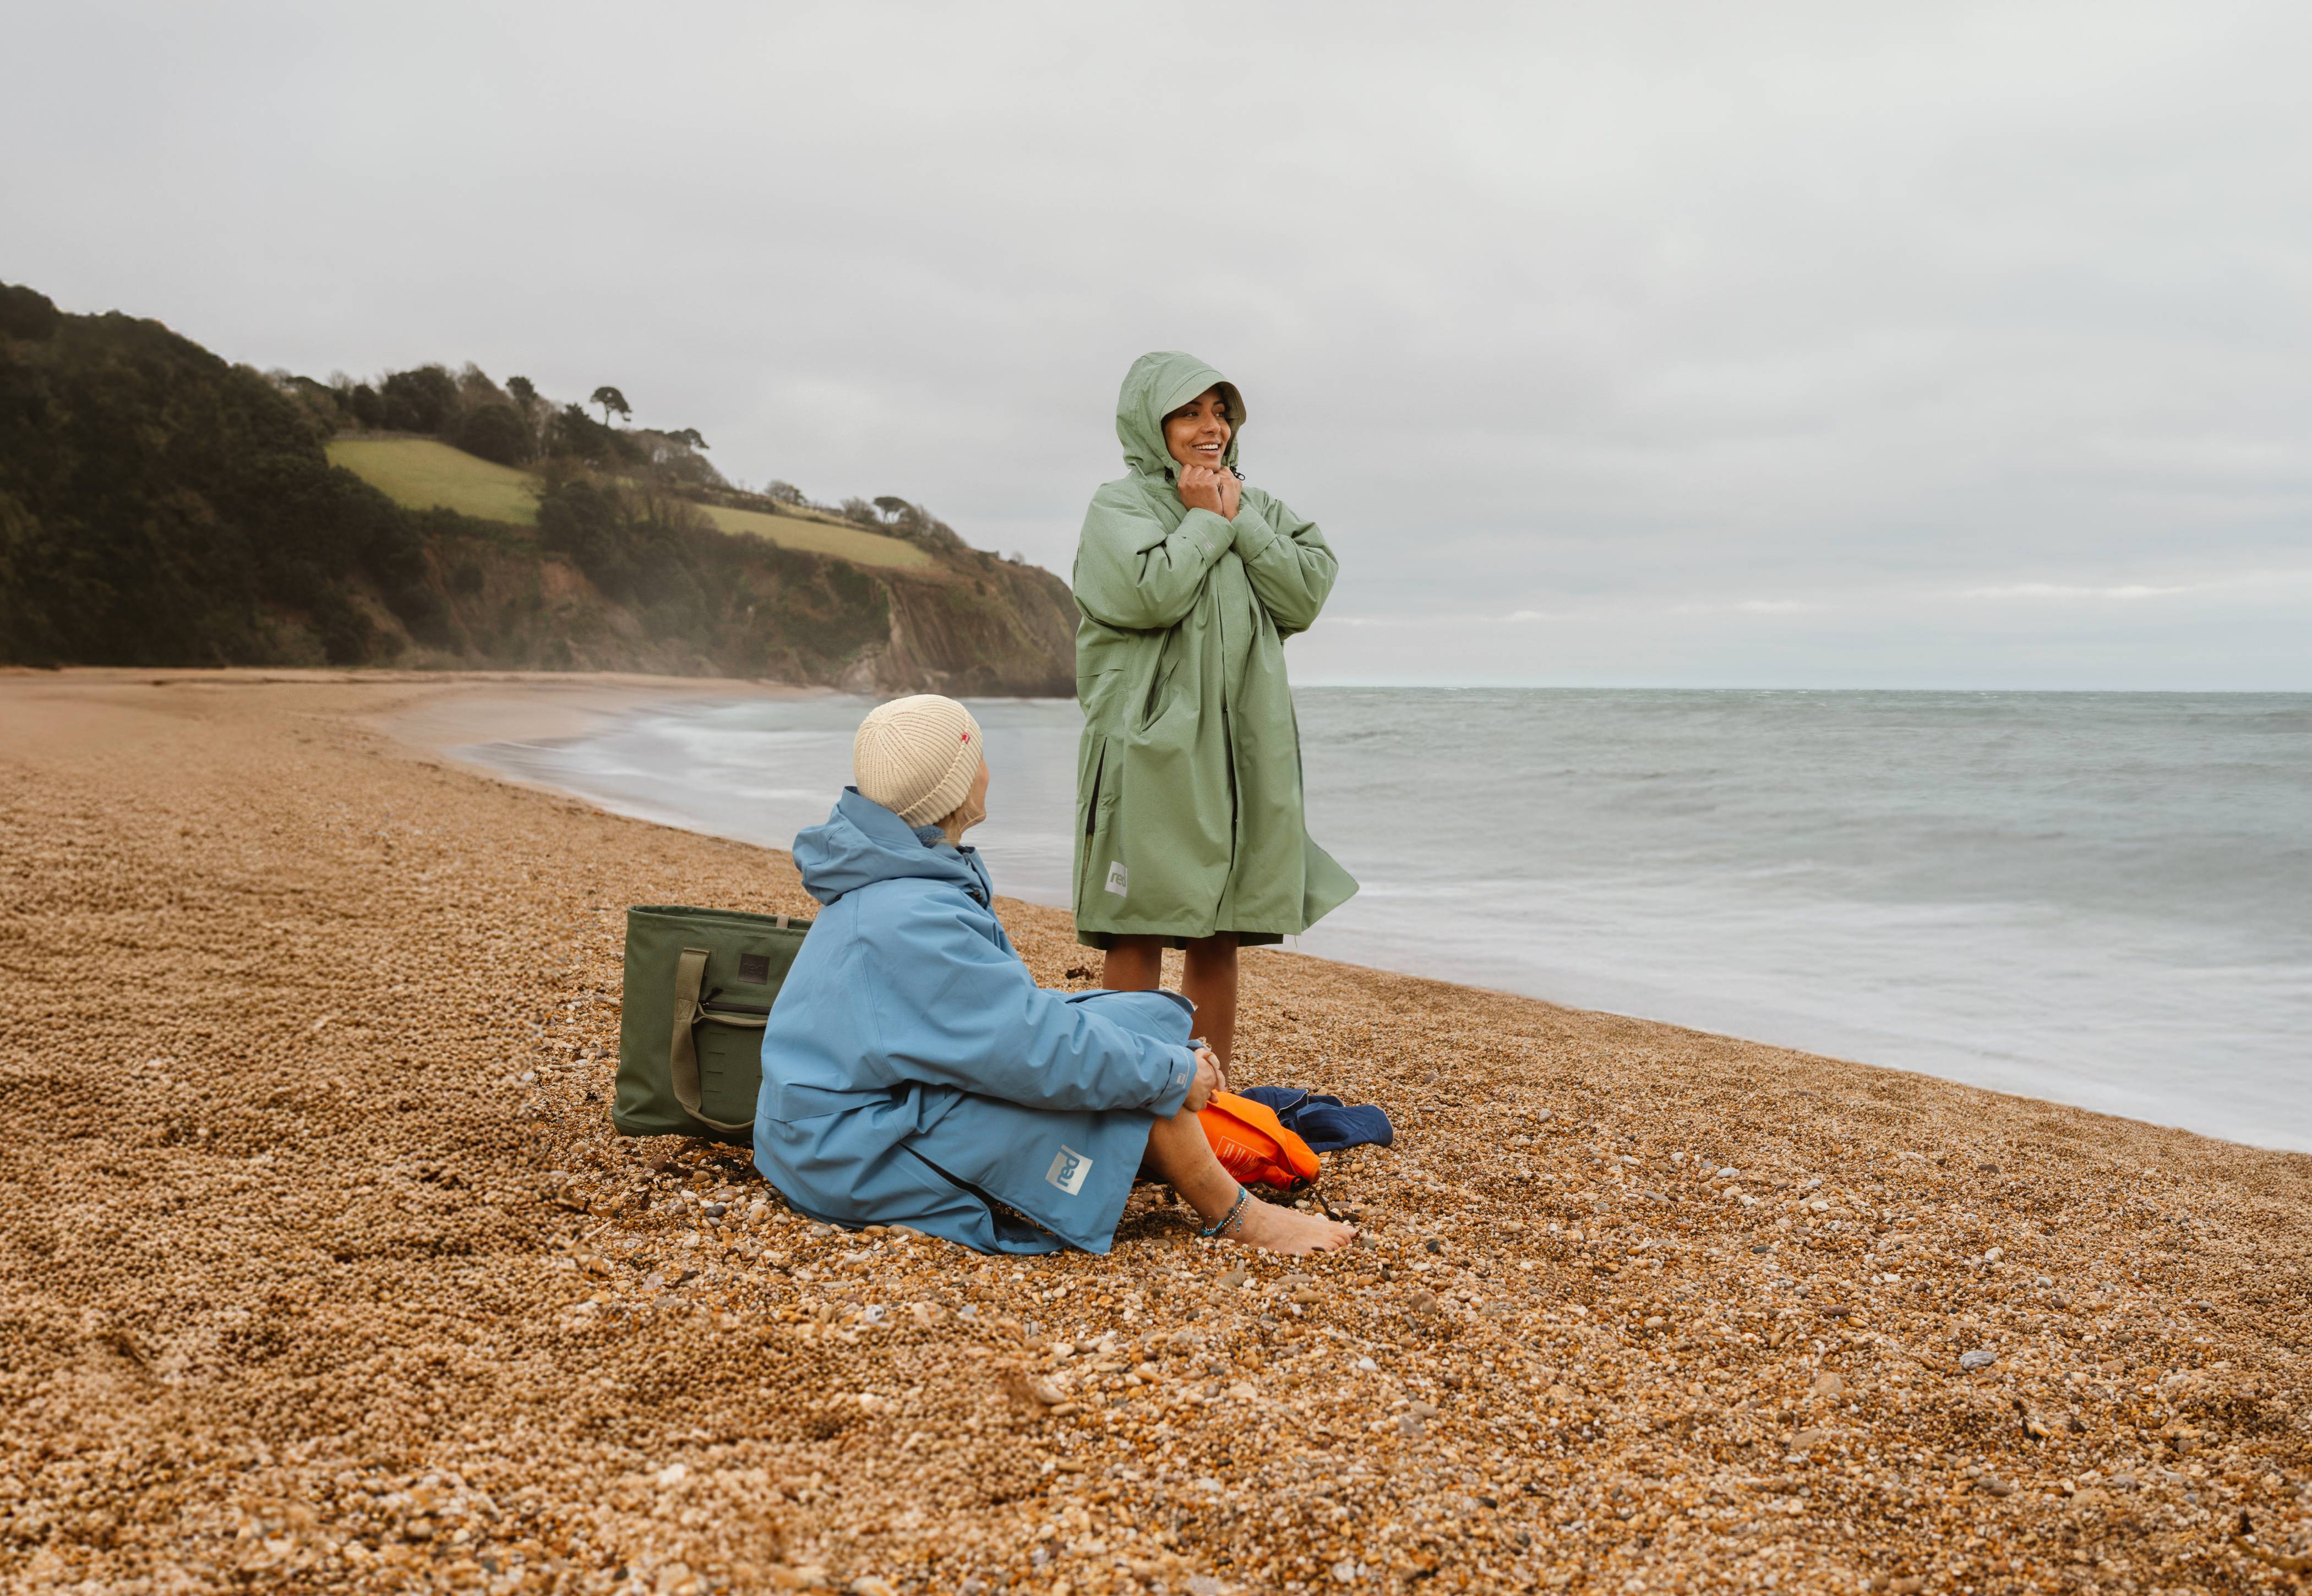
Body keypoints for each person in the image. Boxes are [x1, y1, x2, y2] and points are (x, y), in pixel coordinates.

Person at [753, 694, 1356, 1257]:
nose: (988, 769)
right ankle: (1238, 1216)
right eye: (978, 755)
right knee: (1138, 1090)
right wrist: (1169, 1073)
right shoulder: (912, 916)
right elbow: (1031, 1049)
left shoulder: (905, 873)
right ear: (957, 788)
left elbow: (1009, 1023)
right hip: (848, 1150)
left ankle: (1163, 1141)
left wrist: (1158, 1049)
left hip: (854, 1112)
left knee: (1144, 1022)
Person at [1072, 352, 1356, 1080]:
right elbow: (1148, 595)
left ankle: (1211, 1098)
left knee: (1220, 927)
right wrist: (1205, 521)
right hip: (1149, 745)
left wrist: (1240, 519)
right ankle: (1124, 1096)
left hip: (1241, 747)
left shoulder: (1259, 507)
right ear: (1152, 422)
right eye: (1190, 412)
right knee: (1136, 922)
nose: (1212, 428)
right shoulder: (1119, 507)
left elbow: (1305, 594)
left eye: (1221, 412)